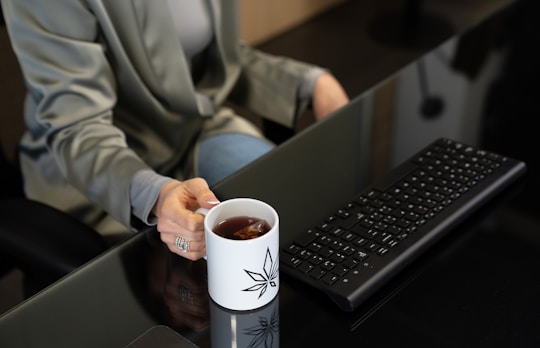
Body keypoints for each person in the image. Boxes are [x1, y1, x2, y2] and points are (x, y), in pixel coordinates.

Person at [1, 0, 349, 260]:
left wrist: (311, 82)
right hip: (96, 169)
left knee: (295, 218)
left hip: (187, 127)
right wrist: (153, 194)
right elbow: (77, 127)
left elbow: (216, 56)